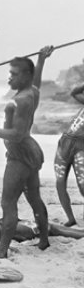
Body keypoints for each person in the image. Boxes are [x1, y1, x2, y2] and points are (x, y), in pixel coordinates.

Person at [0, 46, 54, 258]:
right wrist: (41, 60)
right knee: (34, 198)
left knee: (8, 203)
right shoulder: (32, 92)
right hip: (30, 153)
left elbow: (17, 134)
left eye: (13, 74)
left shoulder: (21, 100)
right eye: (9, 73)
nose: (9, 78)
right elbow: (36, 81)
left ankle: (2, 252)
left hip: (20, 155)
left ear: (25, 76)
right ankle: (44, 241)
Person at [54, 84, 84, 227]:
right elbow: (74, 91)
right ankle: (71, 218)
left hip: (81, 147)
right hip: (64, 143)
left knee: (83, 186)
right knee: (60, 183)